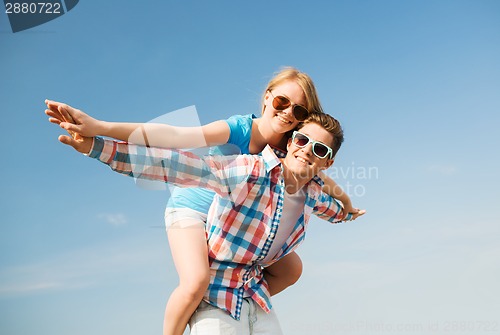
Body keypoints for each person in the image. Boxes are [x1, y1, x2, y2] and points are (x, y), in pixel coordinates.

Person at [45, 67, 365, 335]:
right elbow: (173, 139)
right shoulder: (240, 128)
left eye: (298, 111)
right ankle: (192, 319)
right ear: (267, 96)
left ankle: (236, 301)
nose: (287, 113)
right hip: (194, 205)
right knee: (196, 281)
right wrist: (99, 129)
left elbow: (320, 176)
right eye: (282, 101)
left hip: (229, 219)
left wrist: (346, 203)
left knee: (291, 268)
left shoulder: (294, 146)